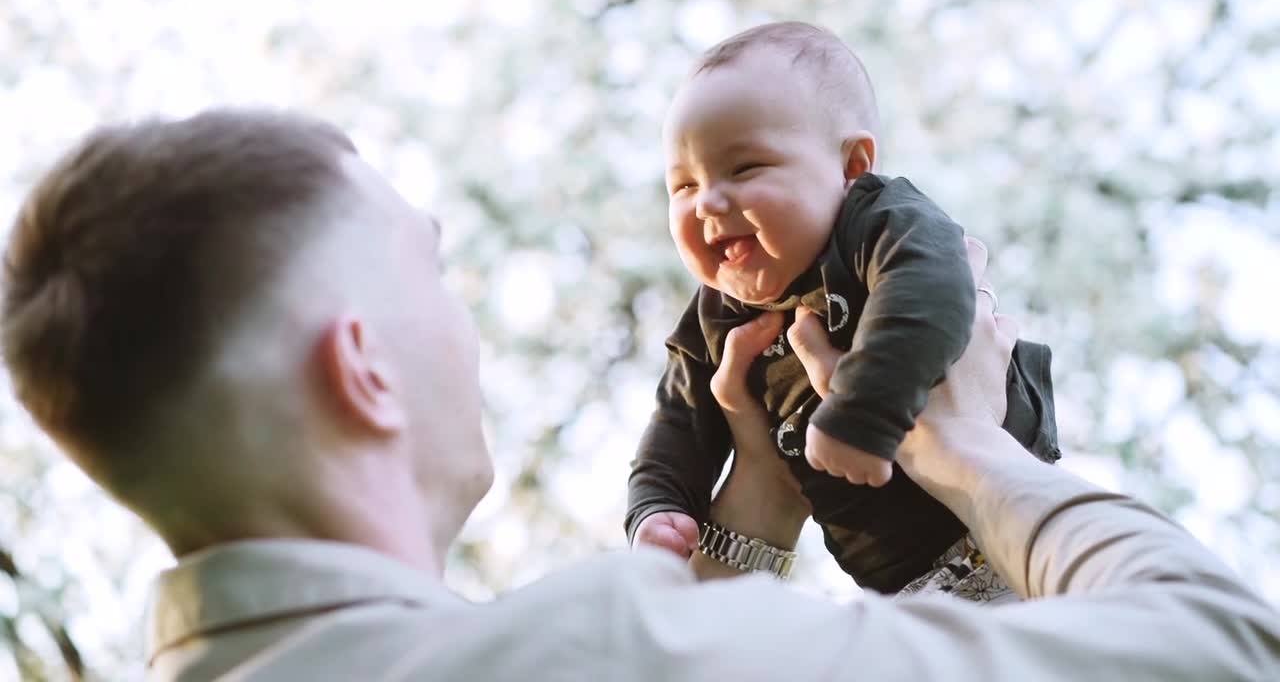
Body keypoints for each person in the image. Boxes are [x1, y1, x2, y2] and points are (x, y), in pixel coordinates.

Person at [2, 109, 1276, 681]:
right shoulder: (608, 649)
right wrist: (977, 453)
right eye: (426, 272)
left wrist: (758, 490)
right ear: (364, 368)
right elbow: (1221, 654)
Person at [627, 21, 1057, 596]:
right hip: (905, 585)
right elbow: (679, 421)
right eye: (682, 186)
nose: (709, 201)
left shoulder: (877, 224)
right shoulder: (714, 318)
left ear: (853, 166)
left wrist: (865, 410)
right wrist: (657, 508)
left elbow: (929, 293)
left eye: (745, 168)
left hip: (1008, 527)